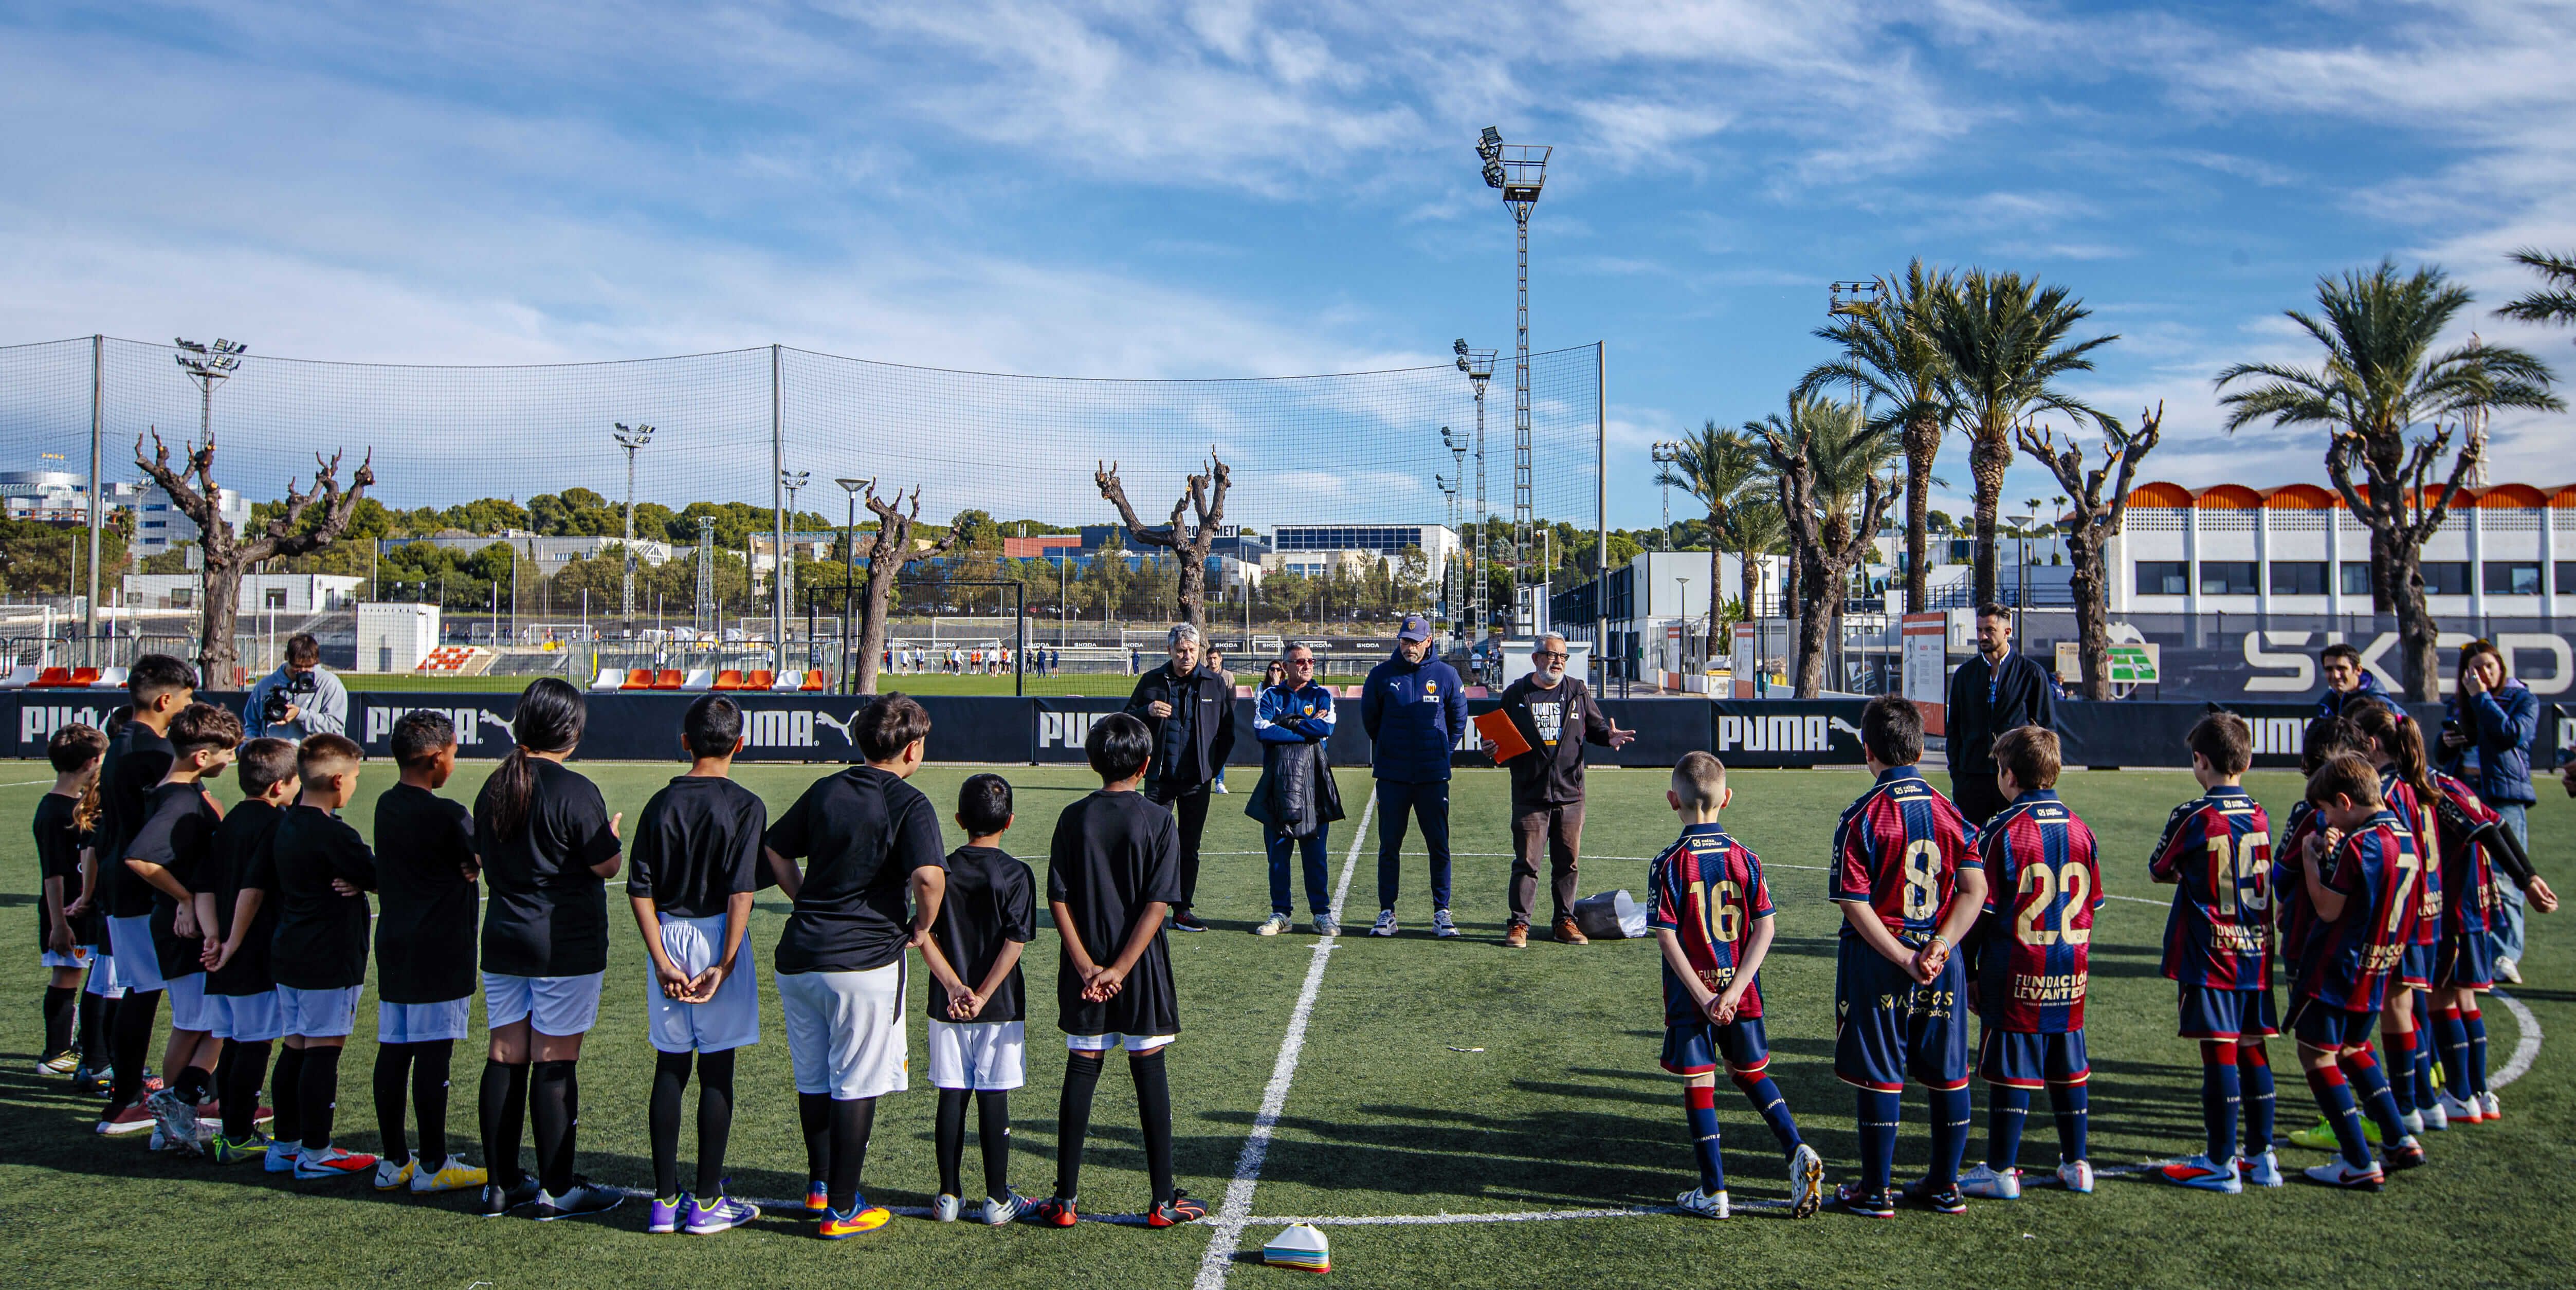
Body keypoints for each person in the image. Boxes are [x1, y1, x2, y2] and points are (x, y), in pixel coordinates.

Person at [762, 693, 947, 1240]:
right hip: (862, 962)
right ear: (912, 748)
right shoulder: (909, 801)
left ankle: (821, 1185)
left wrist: (804, 898)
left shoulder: (826, 787)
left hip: (800, 957)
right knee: (855, 1080)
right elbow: (931, 878)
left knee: (815, 1076)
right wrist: (922, 924)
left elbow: (774, 847)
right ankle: (840, 1207)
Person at [1027, 713, 1205, 1229]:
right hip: (1140, 965)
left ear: (1090, 761)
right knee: (1148, 1068)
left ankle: (1065, 1200)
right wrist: (1121, 968)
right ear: (1147, 764)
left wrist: (1087, 965)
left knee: (1082, 1067)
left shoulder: (1072, 817)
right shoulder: (1157, 818)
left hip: (1084, 968)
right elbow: (1158, 902)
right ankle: (1161, 1199)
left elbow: (1056, 896)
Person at [1647, 751, 1825, 1221]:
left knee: (1701, 1080)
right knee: (1747, 1071)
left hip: (1694, 997)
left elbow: (1666, 935)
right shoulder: (1745, 857)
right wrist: (1731, 991)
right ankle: (1795, 1147)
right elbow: (1765, 928)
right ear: (1727, 798)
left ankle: (1714, 1191)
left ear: (1673, 801)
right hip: (1739, 993)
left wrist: (1705, 996)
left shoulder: (1669, 863)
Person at [474, 677, 626, 1221]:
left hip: (503, 937)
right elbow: (606, 864)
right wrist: (610, 835)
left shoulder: (495, 784)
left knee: (504, 1053)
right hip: (562, 941)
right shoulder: (573, 789)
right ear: (572, 730)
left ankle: (500, 1184)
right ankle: (557, 1188)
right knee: (554, 1058)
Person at [1828, 695, 1986, 1218]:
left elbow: (1853, 900)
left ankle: (1875, 1190)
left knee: (1880, 1071)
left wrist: (1901, 954)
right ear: (1920, 745)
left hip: (1881, 962)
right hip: (1942, 964)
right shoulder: (1951, 811)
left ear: (1867, 749)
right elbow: (1974, 889)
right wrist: (1939, 945)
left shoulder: (1862, 816)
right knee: (1948, 1071)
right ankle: (1944, 1185)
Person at [629, 695, 764, 1236]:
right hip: (716, 935)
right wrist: (726, 963)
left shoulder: (660, 803)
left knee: (670, 1065)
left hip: (668, 931)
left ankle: (664, 1202)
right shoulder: (746, 804)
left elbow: (639, 889)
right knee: (717, 1069)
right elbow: (741, 893)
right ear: (740, 742)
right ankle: (707, 1201)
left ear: (684, 742)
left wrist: (661, 957)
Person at [1957, 727, 2102, 1204]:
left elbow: (1980, 913)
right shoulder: (2082, 829)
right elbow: (2091, 905)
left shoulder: (1999, 831)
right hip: (2069, 965)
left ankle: (2000, 1168)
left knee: (2012, 1068)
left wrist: (1972, 972)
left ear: (2009, 775)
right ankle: (2076, 1163)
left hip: (2016, 966)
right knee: (2068, 1064)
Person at [2144, 713, 2282, 1193]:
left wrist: (2189, 874)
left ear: (2200, 761)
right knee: (2252, 1047)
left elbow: (2159, 868)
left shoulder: (2194, 815)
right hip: (2257, 951)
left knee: (2219, 1053)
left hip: (2211, 951)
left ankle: (2221, 1161)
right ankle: (2261, 1157)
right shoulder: (2261, 813)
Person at [2285, 753, 2425, 1189]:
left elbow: (2328, 909)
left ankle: (2357, 1161)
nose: (2325, 820)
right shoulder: (2403, 834)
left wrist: (2312, 862)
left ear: (2344, 802)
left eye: (2326, 811)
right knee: (2354, 1049)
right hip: (2378, 965)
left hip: (2336, 966)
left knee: (2316, 1054)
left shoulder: (2361, 843)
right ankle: (2399, 1139)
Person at [370, 711, 489, 1195]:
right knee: (433, 1053)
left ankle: (394, 1158)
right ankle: (434, 1163)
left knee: (395, 1049)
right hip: (439, 947)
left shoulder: (385, 804)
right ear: (437, 758)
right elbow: (482, 855)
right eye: (455, 755)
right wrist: (472, 862)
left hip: (395, 944)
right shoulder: (447, 813)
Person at [916, 772, 1036, 1227]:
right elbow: (1015, 940)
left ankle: (948, 1195)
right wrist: (982, 994)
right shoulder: (1016, 873)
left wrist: (953, 986)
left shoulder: (939, 872)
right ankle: (996, 1198)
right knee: (993, 1095)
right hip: (999, 1005)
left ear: (960, 820)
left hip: (947, 1005)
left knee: (952, 1093)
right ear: (1009, 821)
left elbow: (921, 935)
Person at [266, 732, 382, 1181]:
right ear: (337, 780)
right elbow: (377, 874)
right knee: (322, 1051)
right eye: (353, 778)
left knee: (294, 1047)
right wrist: (362, 880)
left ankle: (286, 1145)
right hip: (327, 955)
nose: (353, 785)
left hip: (292, 950)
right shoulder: (333, 834)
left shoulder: (288, 823)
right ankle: (316, 1152)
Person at [125, 701, 238, 1155]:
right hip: (181, 929)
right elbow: (140, 858)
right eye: (226, 753)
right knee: (195, 1023)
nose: (231, 761)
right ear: (202, 757)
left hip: (187, 923)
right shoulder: (179, 799)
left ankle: (177, 1115)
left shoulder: (178, 792)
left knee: (210, 1023)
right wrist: (186, 898)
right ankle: (170, 1121)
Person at [96, 654, 194, 1137]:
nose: (188, 708)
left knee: (140, 987)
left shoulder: (122, 741)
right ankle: (125, 1100)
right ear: (164, 700)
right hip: (142, 885)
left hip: (122, 881)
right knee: (145, 990)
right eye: (186, 699)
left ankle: (127, 1089)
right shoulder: (153, 752)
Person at [1487, 632, 1634, 947]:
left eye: (1563, 657)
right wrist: (1491, 747)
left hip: (1570, 797)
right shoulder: (1516, 694)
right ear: (1536, 658)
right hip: (1530, 796)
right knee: (1527, 864)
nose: (1558, 662)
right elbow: (1498, 738)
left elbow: (1596, 730)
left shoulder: (1578, 691)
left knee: (1567, 863)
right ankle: (1519, 924)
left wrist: (1609, 737)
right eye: (1552, 655)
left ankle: (1564, 921)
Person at [2349, 703, 2444, 1133]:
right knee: (2407, 1006)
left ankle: (2405, 1106)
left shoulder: (2382, 791)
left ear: (2369, 744)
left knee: (2395, 1008)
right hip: (2423, 907)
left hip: (2397, 911)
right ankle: (2425, 1101)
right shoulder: (2414, 783)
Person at [200, 736, 294, 1164]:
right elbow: (253, 891)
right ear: (279, 787)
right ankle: (238, 1135)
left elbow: (206, 885)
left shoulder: (230, 820)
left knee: (235, 1040)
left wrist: (213, 937)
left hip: (221, 950)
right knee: (255, 1043)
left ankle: (230, 1130)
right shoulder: (275, 825)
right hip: (251, 951)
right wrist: (233, 942)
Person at [1361, 614, 1469, 939]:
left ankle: (1442, 912)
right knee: (1389, 845)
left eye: (1415, 642)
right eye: (1405, 641)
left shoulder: (1447, 675)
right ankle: (1387, 912)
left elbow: (1458, 721)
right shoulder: (1381, 675)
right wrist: (1393, 750)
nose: (1409, 647)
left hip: (1432, 776)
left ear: (1429, 642)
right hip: (1392, 776)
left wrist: (1438, 752)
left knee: (1439, 845)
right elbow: (1371, 721)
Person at [1123, 623, 1234, 932]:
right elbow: (1125, 718)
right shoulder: (1151, 681)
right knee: (1148, 843)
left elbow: (1227, 733)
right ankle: (1143, 907)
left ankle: (1183, 910)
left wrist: (1210, 769)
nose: (1187, 656)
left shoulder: (1214, 684)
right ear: (1170, 651)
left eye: (1192, 651)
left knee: (1190, 845)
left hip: (1197, 781)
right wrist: (1146, 710)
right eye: (1181, 651)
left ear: (1199, 651)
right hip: (1158, 780)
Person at [2438, 640, 2537, 983]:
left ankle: (2506, 955)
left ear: (2500, 668)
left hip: (2502, 797)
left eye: (2487, 667)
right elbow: (2443, 751)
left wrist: (2480, 698)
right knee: (2463, 873)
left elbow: (2511, 734)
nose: (2481, 674)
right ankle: (2470, 949)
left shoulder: (2521, 698)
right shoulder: (2458, 702)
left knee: (2505, 878)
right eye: (2473, 670)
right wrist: (2445, 743)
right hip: (2464, 796)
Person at [1248, 645, 1343, 936]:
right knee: (1278, 855)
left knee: (1316, 854)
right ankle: (1281, 913)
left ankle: (1321, 914)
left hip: (1313, 786)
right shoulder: (1271, 695)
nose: (1306, 665)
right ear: (1285, 666)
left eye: (1310, 661)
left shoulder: (1321, 695)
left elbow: (1325, 729)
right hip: (1278, 785)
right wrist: (1304, 727)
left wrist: (1287, 725)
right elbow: (1263, 730)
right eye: (1300, 661)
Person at [1943, 604, 2056, 829]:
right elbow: (1954, 729)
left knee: (2016, 849)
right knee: (1972, 850)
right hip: (1971, 780)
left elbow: (2046, 730)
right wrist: (1958, 773)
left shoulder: (2031, 674)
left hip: (2016, 782)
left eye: (1990, 630)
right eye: (1979, 630)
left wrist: (2033, 779)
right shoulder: (1964, 676)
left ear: (2007, 631)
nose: (1982, 636)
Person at [34, 723, 105, 1077]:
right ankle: (56, 1053)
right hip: (65, 911)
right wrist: (59, 923)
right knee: (66, 974)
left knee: (85, 974)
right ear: (92, 762)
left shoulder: (79, 806)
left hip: (83, 909)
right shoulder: (54, 812)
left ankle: (78, 1046)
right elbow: (54, 874)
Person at [242, 632, 349, 741]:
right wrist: (249, 748)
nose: (303, 671)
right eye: (297, 666)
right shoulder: (265, 685)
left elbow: (335, 728)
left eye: (309, 666)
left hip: (314, 756)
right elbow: (252, 725)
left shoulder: (330, 684)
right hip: (273, 754)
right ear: (286, 657)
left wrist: (300, 715)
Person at [2316, 641, 2402, 720]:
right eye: (2329, 669)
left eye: (2342, 668)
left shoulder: (2384, 707)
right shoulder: (2325, 705)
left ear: (2358, 670)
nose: (2335, 675)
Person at [1204, 649, 1235, 795]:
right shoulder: (1201, 675)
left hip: (1220, 722)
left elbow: (1232, 699)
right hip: (1204, 720)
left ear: (1221, 659)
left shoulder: (1228, 676)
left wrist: (1226, 717)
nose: (1213, 661)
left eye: (1215, 658)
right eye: (1210, 658)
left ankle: (1219, 782)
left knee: (1220, 751)